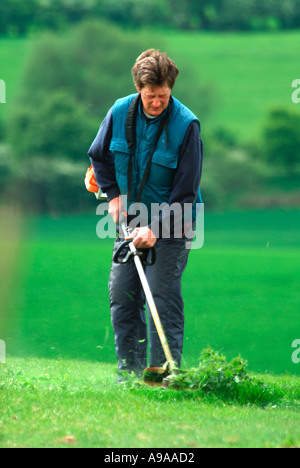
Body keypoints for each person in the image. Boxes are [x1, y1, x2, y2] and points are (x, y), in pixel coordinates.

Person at [88, 49, 203, 379]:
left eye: (164, 96)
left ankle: (163, 374)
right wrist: (112, 197)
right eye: (151, 96)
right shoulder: (119, 112)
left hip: (174, 222)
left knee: (160, 295)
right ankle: (131, 373)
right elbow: (99, 155)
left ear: (171, 89)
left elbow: (185, 194)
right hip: (130, 220)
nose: (157, 102)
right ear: (139, 88)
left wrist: (156, 228)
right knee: (123, 296)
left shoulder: (186, 126)